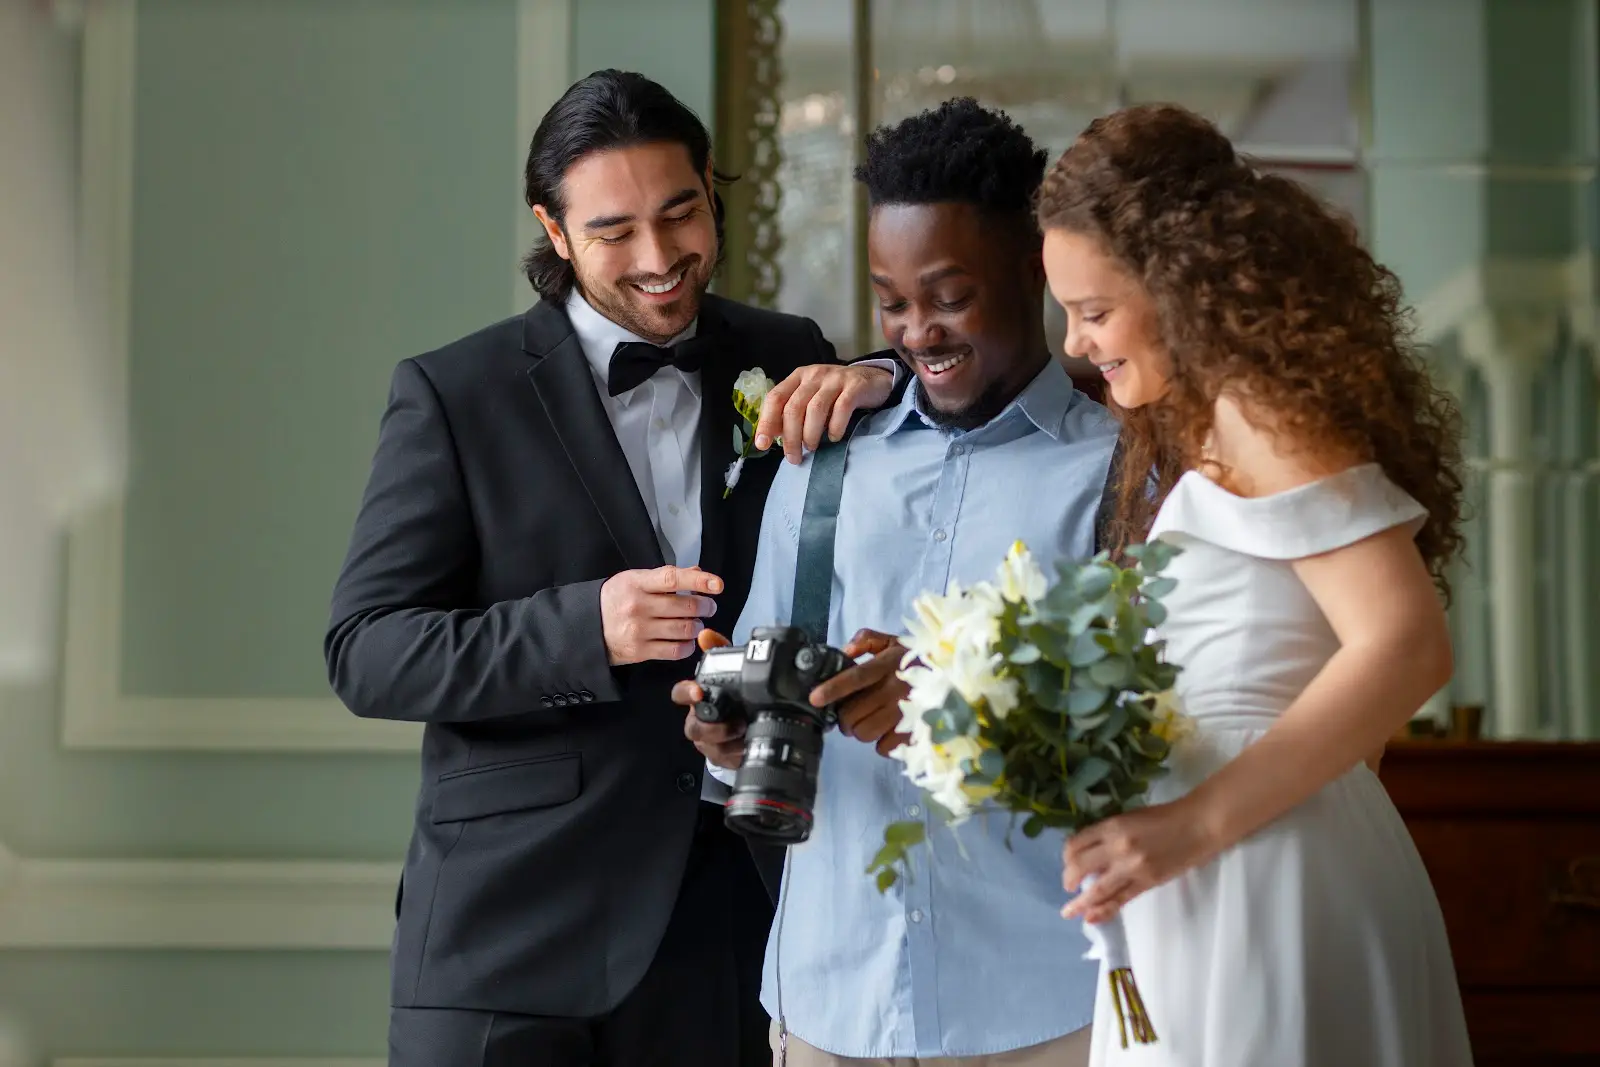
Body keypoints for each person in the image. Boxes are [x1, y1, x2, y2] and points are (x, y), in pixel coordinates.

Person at [325, 69, 894, 1067]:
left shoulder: (789, 353)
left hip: (726, 926)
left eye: (680, 214)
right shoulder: (455, 394)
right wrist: (585, 628)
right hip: (505, 934)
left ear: (711, 186)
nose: (660, 258)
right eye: (614, 231)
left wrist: (881, 376)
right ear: (553, 231)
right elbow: (367, 651)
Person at [676, 99, 1118, 1067]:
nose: (919, 331)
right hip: (825, 1004)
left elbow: (1147, 740)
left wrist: (955, 711)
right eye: (891, 303)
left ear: (1032, 271)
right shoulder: (820, 464)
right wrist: (727, 731)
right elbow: (761, 692)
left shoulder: (1115, 474)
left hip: (1046, 1009)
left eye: (948, 296)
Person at [1037, 104, 1473, 1066]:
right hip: (1239, 868)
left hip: (1254, 870)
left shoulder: (1258, 410)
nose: (1073, 343)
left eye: (1094, 310)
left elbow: (1406, 644)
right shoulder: (1205, 426)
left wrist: (1196, 825)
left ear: (1177, 284)